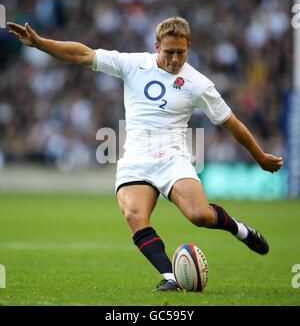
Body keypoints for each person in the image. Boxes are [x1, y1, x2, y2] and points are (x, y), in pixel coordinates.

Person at [8, 17, 283, 292]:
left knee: (199, 215)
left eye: (181, 52)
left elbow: (230, 122)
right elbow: (82, 54)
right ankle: (172, 277)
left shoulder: (198, 84)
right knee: (133, 215)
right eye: (169, 52)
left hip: (173, 159)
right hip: (136, 160)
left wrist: (259, 156)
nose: (175, 58)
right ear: (156, 47)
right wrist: (40, 43)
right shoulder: (133, 64)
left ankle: (239, 229)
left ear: (189, 46)